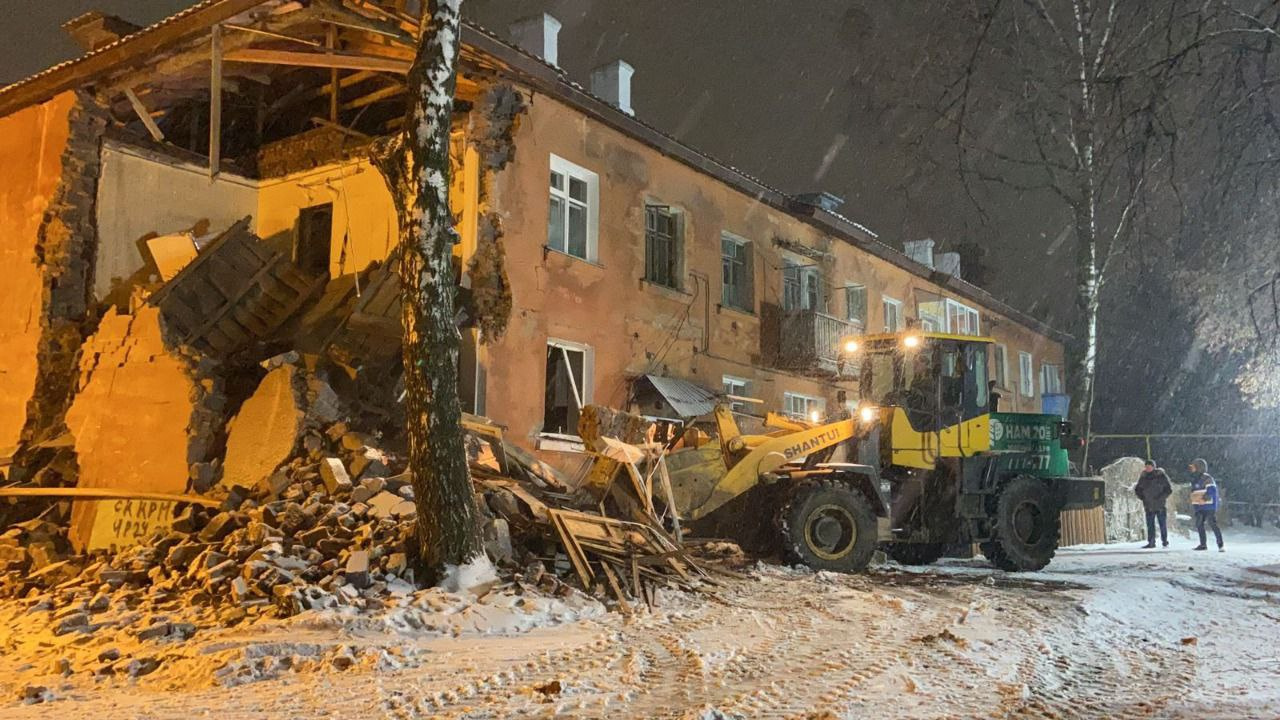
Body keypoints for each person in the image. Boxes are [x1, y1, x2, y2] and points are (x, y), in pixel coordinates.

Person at [1133, 460, 1172, 548]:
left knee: (1162, 524)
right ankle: (1151, 542)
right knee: (1150, 525)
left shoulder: (1161, 476)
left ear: (1153, 467)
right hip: (1148, 505)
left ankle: (1165, 541)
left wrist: (1161, 498)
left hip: (1160, 505)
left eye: (1149, 466)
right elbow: (1138, 489)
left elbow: (1168, 490)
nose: (1147, 468)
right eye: (1146, 466)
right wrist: (1143, 498)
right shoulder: (1143, 477)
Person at [1189, 458, 1225, 552]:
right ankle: (1203, 544)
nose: (1191, 469)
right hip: (1199, 506)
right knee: (1199, 524)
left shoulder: (1207, 478)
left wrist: (1204, 498)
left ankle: (1220, 544)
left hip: (1209, 506)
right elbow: (1194, 492)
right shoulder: (1195, 479)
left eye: (1193, 467)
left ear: (1198, 467)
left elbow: (1212, 490)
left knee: (1212, 523)